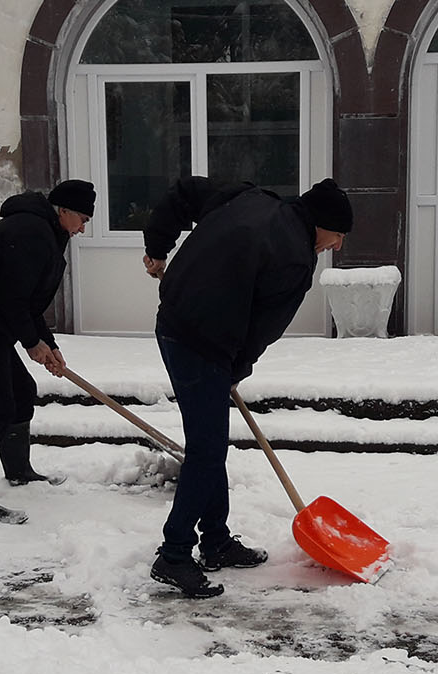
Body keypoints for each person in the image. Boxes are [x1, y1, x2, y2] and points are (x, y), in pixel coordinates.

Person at [141, 176, 352, 597]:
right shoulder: (295, 258)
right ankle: (175, 554)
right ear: (321, 224)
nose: (337, 246)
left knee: (209, 440)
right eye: (338, 235)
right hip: (201, 343)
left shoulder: (248, 195)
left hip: (175, 322)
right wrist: (235, 368)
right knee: (207, 447)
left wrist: (157, 246)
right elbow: (263, 329)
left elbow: (181, 192)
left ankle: (215, 541)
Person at [0, 179, 95, 524]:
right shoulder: (30, 231)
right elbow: (11, 296)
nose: (83, 228)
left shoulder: (46, 232)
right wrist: (32, 343)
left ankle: (19, 471)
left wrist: (48, 344)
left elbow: (27, 301)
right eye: (83, 219)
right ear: (64, 210)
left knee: (22, 391)